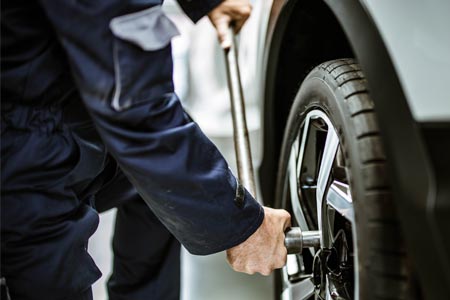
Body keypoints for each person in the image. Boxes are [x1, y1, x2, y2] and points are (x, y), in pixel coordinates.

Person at [0, 0, 291, 299]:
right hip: (19, 153)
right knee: (165, 166)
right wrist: (243, 225)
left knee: (164, 190)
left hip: (43, 113)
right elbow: (136, 110)